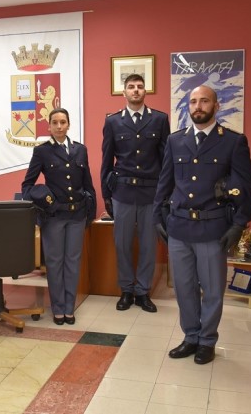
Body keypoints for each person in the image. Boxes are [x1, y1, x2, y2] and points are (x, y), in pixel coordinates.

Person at [153, 85, 251, 365]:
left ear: (216, 106)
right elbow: (165, 181)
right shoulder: (175, 141)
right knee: (184, 289)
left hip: (213, 230)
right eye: (193, 101)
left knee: (212, 290)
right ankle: (191, 337)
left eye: (204, 101)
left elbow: (247, 188)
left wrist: (239, 224)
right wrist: (157, 217)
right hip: (179, 228)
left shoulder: (232, 141)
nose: (198, 106)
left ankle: (207, 340)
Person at [101, 73, 170, 313]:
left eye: (140, 86)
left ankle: (143, 292)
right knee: (122, 244)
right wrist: (106, 195)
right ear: (124, 92)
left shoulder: (159, 119)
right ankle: (126, 290)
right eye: (131, 87)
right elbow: (106, 161)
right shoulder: (113, 122)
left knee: (149, 246)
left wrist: (166, 194)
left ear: (145, 91)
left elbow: (166, 160)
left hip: (151, 192)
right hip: (123, 193)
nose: (136, 90)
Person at [22, 108, 96, 325]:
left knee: (73, 262)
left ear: (69, 125)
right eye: (55, 122)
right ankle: (58, 308)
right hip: (54, 216)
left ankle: (69, 308)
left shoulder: (80, 150)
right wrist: (44, 199)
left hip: (77, 215)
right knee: (55, 263)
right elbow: (27, 185)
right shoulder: (42, 151)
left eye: (63, 122)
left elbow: (88, 183)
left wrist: (90, 213)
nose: (59, 126)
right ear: (49, 126)